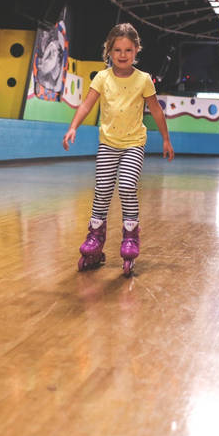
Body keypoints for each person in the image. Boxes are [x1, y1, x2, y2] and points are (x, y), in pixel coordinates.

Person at [62, 23, 174, 276]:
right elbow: (86, 105)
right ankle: (95, 237)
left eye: (128, 50)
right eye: (117, 50)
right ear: (109, 52)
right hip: (108, 144)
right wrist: (73, 127)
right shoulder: (102, 78)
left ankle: (131, 236)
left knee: (126, 186)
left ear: (136, 51)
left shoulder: (143, 80)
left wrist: (166, 139)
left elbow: (156, 110)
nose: (122, 55)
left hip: (133, 143)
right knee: (101, 189)